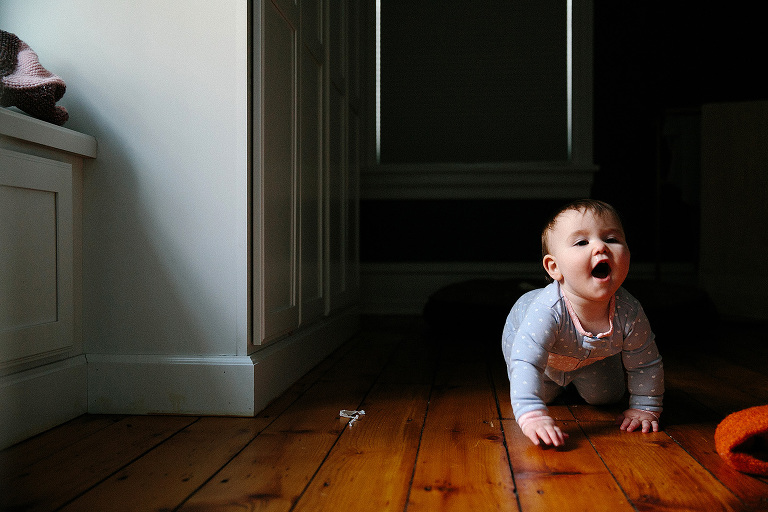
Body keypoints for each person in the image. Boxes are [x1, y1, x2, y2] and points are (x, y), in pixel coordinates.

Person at [501, 199, 664, 447]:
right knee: (540, 394)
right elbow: (527, 361)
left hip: (591, 357)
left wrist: (645, 406)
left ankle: (577, 381)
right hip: (538, 356)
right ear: (554, 267)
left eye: (612, 239)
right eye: (582, 242)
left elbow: (646, 363)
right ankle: (550, 389)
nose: (601, 247)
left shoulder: (629, 312)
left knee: (607, 397)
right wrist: (532, 415)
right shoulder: (546, 311)